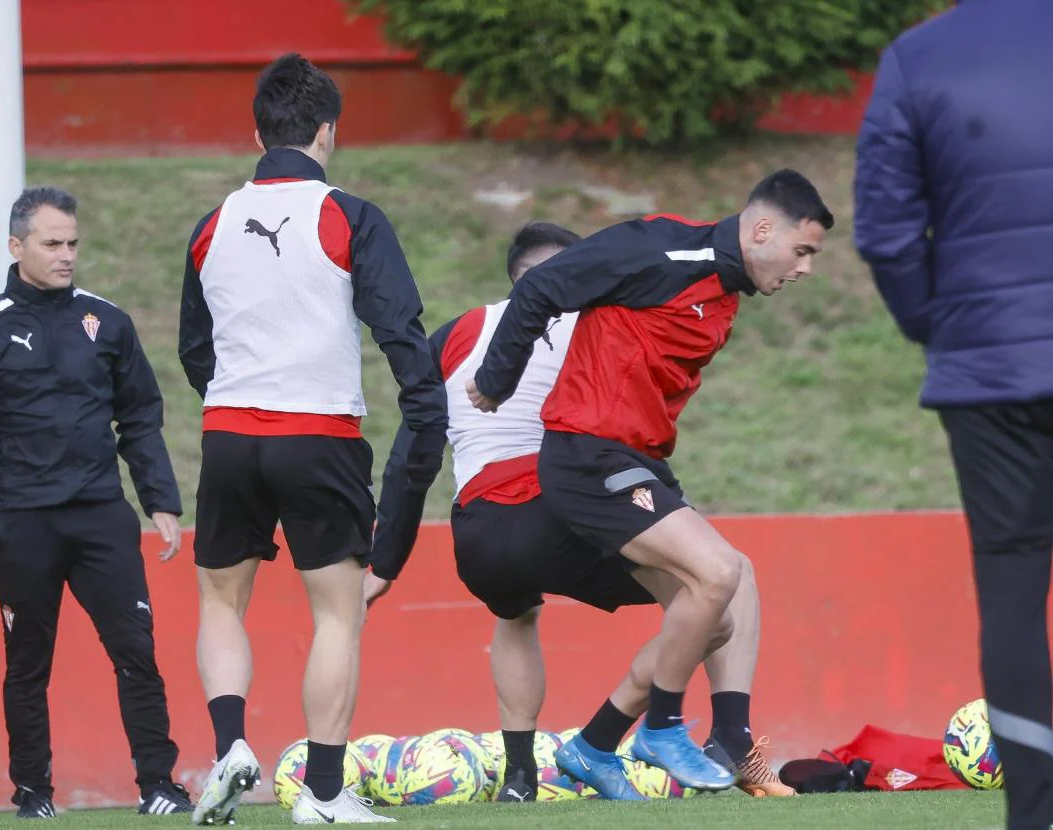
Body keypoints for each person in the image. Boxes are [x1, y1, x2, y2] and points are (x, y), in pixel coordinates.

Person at [368, 222, 794, 801]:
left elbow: (410, 459)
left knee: (516, 615)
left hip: (480, 534)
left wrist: (384, 562)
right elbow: (624, 427)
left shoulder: (454, 334)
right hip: (562, 508)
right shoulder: (600, 318)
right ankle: (682, 740)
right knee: (719, 589)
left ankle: (520, 778)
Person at [466, 171, 833, 791]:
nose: (805, 269)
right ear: (763, 230)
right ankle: (663, 727)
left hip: (633, 460)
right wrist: (497, 378)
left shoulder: (723, 291)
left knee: (731, 590)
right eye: (803, 252)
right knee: (715, 572)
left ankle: (616, 743)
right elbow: (543, 287)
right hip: (587, 454)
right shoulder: (663, 249)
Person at [178, 53, 447, 826]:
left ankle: (230, 748)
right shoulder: (349, 216)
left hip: (228, 434)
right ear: (329, 130)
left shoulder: (212, 224)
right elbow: (400, 332)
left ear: (256, 130)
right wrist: (423, 414)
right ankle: (323, 793)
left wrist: (238, 401)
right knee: (337, 614)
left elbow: (196, 349)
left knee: (221, 602)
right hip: (319, 433)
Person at [0, 187, 190, 818]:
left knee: (137, 651)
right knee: (27, 665)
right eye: (52, 243)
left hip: (102, 515)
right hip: (24, 523)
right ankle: (33, 794)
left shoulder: (108, 322)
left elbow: (141, 416)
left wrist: (160, 499)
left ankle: (159, 785)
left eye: (72, 242)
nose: (66, 254)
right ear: (17, 247)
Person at [854, 3, 1053, 827]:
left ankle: (1034, 815)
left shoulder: (917, 57)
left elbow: (887, 234)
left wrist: (942, 326)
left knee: (1010, 590)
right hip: (987, 360)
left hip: (990, 375)